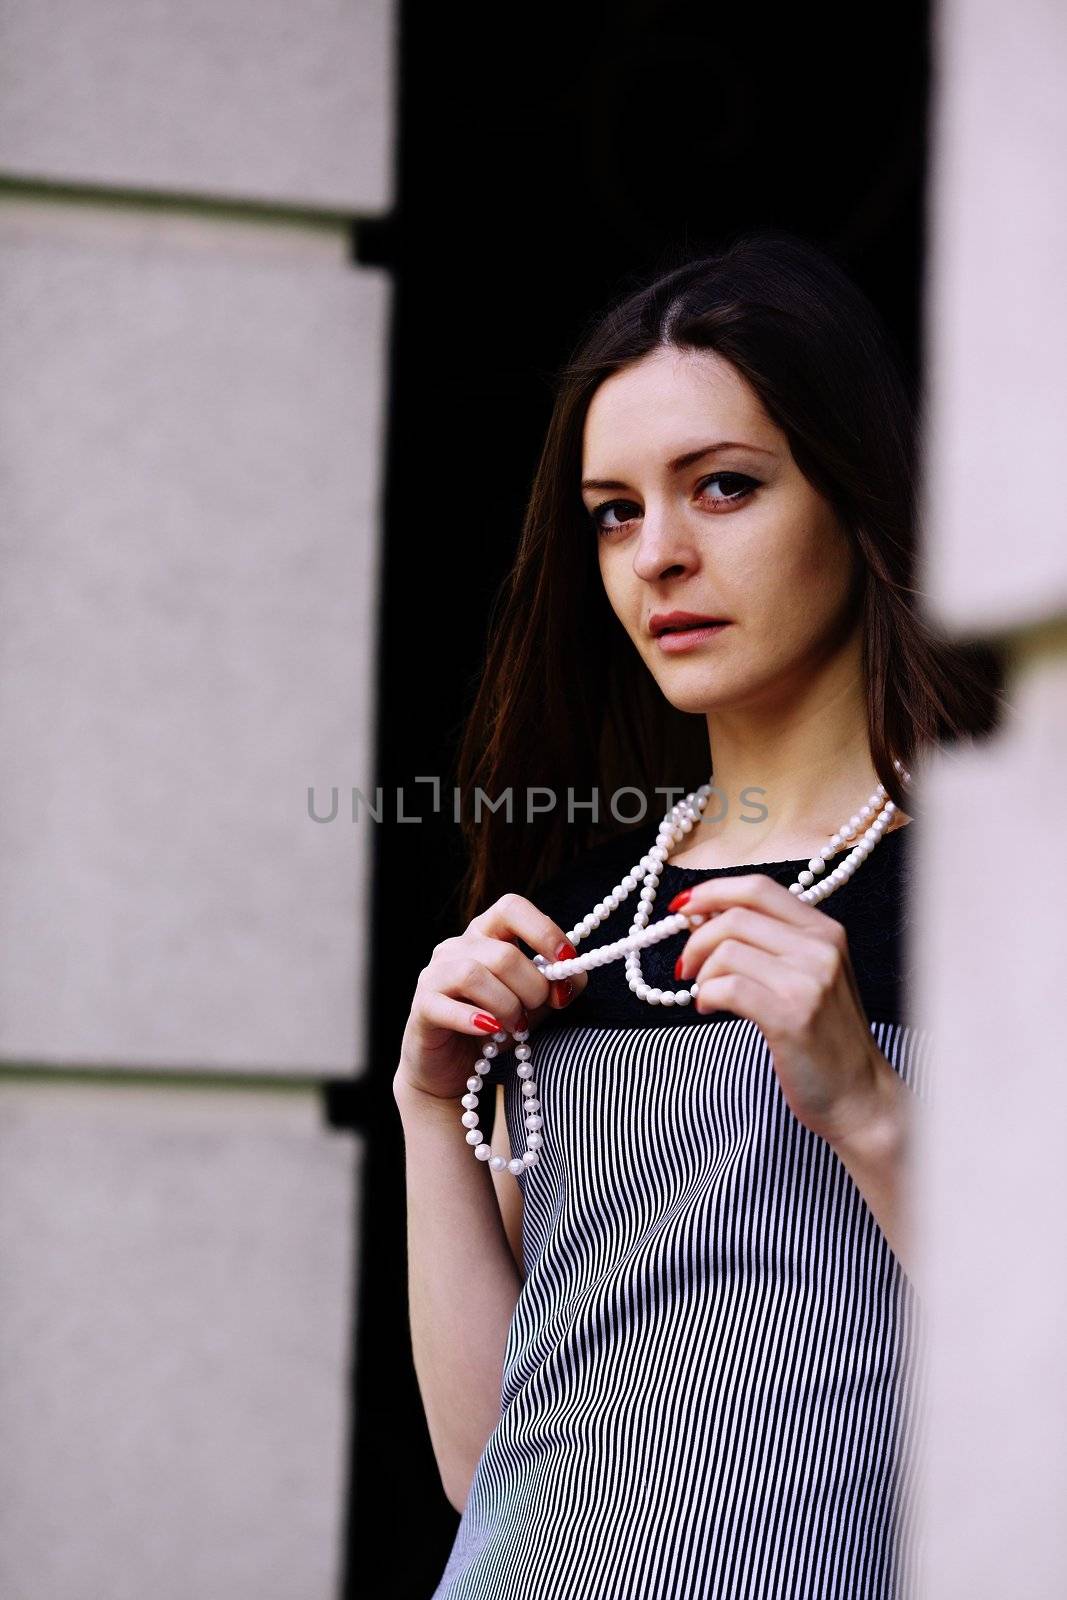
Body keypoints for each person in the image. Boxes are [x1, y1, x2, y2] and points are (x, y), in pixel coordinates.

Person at [392, 229, 1004, 1599]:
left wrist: (869, 1107)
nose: (657, 555)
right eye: (614, 510)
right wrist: (431, 1109)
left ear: (856, 494)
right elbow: (489, 1460)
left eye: (722, 488)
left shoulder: (1010, 900)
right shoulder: (570, 919)